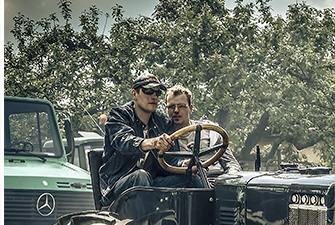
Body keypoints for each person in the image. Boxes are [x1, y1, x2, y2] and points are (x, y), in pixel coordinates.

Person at [98, 73, 201, 206]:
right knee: (140, 176)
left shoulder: (163, 121)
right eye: (148, 91)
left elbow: (170, 159)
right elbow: (124, 141)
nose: (154, 96)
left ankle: (207, 223)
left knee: (192, 179)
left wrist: (184, 164)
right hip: (116, 187)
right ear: (134, 94)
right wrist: (153, 142)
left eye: (157, 93)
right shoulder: (119, 116)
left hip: (151, 183)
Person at [165, 85, 241, 175]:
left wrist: (230, 178)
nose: (176, 110)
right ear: (166, 109)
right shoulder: (164, 140)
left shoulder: (211, 131)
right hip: (188, 184)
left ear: (191, 108)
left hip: (218, 181)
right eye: (171, 107)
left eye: (181, 106)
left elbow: (231, 163)